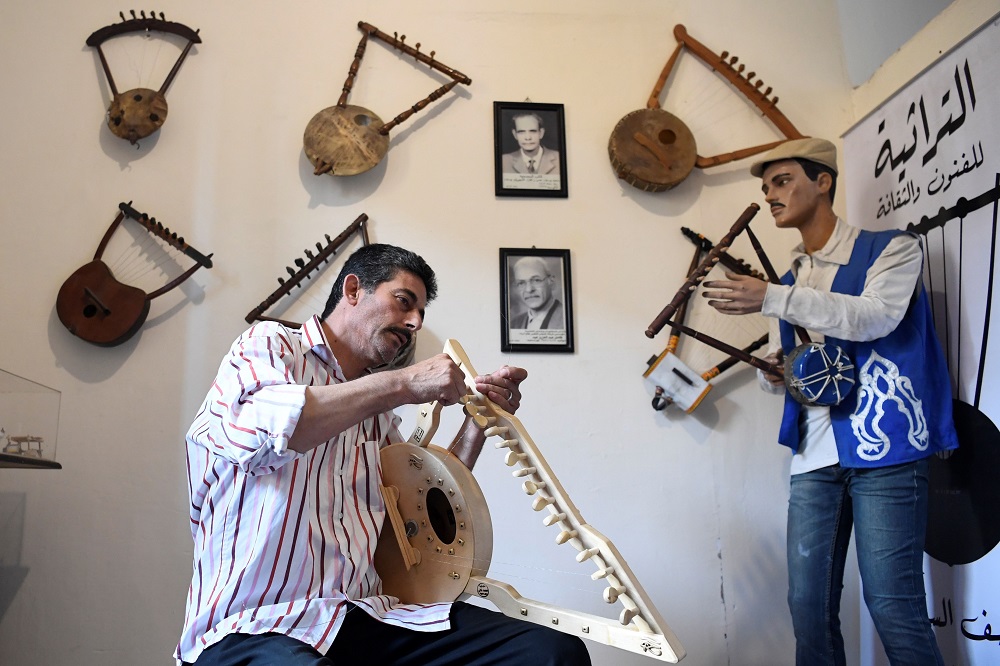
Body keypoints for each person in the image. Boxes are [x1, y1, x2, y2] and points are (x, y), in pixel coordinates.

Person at [175, 243, 590, 666]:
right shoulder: (271, 345)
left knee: (552, 653)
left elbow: (422, 514)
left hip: (363, 616)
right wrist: (403, 384)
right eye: (404, 302)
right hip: (252, 625)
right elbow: (268, 430)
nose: (414, 323)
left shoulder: (377, 419)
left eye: (421, 314)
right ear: (353, 290)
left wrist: (478, 422)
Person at [701, 138, 958, 666]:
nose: (771, 195)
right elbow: (808, 369)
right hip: (814, 456)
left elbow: (876, 316)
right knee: (806, 608)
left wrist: (772, 297)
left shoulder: (892, 249)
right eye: (766, 187)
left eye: (782, 180)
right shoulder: (792, 279)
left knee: (893, 606)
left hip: (886, 448)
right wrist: (777, 374)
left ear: (823, 182)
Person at [509, 256, 564, 330]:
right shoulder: (513, 324)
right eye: (521, 283)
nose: (529, 289)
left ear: (551, 282)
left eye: (536, 280)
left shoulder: (566, 319)